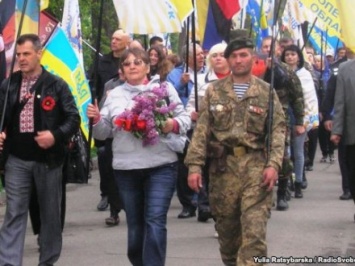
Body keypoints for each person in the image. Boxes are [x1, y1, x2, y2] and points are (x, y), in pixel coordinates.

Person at [185, 37, 286, 266]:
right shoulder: (213, 91)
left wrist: (273, 164)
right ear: (227, 60)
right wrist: (194, 166)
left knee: (254, 234)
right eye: (234, 56)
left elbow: (278, 130)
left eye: (243, 55)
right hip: (223, 170)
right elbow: (202, 131)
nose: (238, 60)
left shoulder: (266, 92)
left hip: (255, 168)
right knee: (228, 238)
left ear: (253, 58)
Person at [87, 48, 190, 265]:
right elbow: (103, 133)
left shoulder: (164, 89)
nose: (132, 66)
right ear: (122, 70)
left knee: (155, 221)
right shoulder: (113, 95)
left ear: (147, 66)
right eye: (127, 63)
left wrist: (172, 124)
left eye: (138, 62)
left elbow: (184, 119)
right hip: (127, 169)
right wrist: (96, 120)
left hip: (161, 165)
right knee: (135, 227)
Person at [0, 34, 80, 266]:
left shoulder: (56, 84)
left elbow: (73, 117)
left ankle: (47, 260)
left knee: (49, 214)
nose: (22, 59)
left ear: (39, 54)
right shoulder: (9, 84)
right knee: (14, 212)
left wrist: (55, 135)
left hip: (48, 160)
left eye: (26, 54)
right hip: (16, 159)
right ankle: (8, 262)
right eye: (19, 55)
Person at [261, 36, 304, 210]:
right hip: (257, 119)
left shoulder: (286, 70)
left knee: (283, 157)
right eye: (264, 47)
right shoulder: (254, 69)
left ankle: (282, 193)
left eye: (271, 47)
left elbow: (297, 97)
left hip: (281, 119)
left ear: (279, 49)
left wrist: (299, 122)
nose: (267, 50)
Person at [167, 42, 208, 219]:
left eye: (202, 54)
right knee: (185, 164)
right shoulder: (175, 74)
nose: (201, 57)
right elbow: (167, 98)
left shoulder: (208, 74)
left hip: (206, 124)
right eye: (197, 54)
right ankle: (188, 204)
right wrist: (181, 84)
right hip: (184, 124)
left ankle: (205, 203)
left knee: (205, 164)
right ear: (187, 57)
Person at [92, 29, 130, 211]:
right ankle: (105, 193)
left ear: (126, 42)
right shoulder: (102, 61)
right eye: (112, 38)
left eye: (118, 39)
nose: (113, 41)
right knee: (104, 156)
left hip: (127, 117)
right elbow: (95, 85)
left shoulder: (131, 60)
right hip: (106, 115)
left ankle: (125, 195)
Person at [281, 44, 319, 199]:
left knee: (298, 152)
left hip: (299, 117)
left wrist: (303, 121)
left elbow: (309, 99)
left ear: (298, 57)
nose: (290, 57)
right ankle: (287, 182)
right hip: (283, 116)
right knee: (286, 153)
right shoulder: (280, 72)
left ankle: (298, 183)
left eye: (293, 54)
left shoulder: (304, 74)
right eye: (287, 54)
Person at [321, 50, 351, 200]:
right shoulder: (340, 68)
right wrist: (327, 116)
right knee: (347, 159)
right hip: (348, 123)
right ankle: (348, 188)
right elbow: (333, 94)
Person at [330, 57, 355, 220]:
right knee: (352, 173)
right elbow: (339, 102)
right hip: (352, 131)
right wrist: (337, 130)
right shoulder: (345, 69)